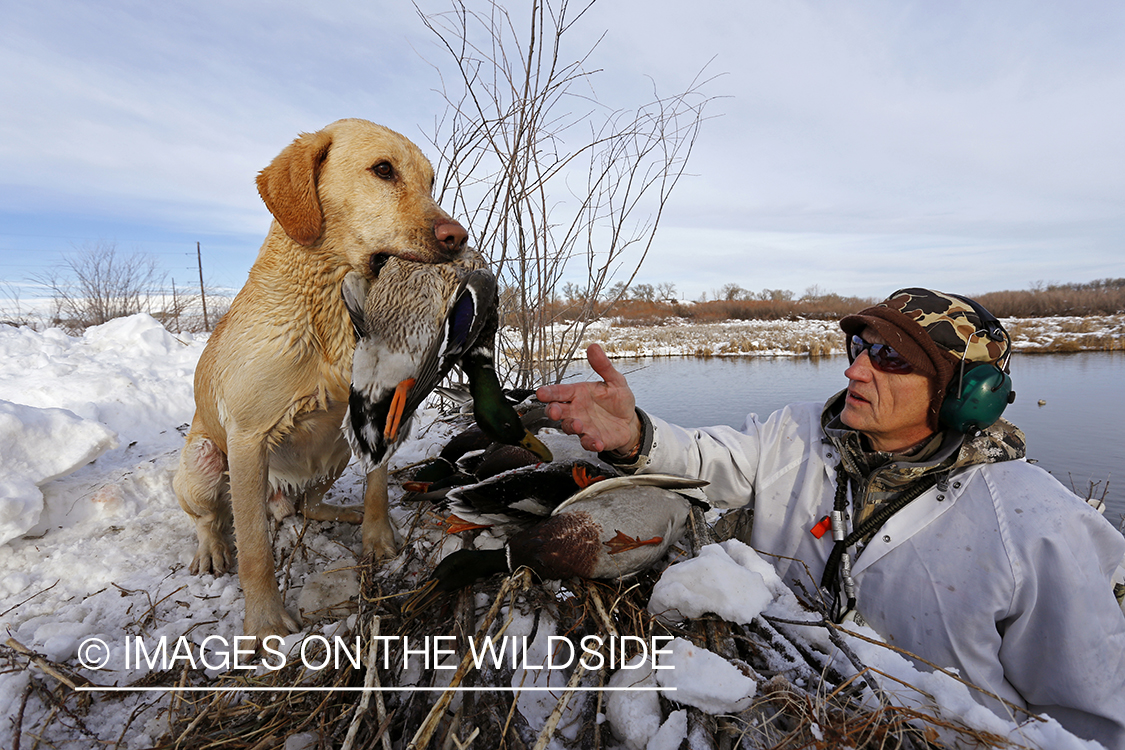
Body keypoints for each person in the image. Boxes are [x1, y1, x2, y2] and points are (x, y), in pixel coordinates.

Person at [536, 288, 1125, 749]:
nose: (855, 371)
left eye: (891, 358)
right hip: (783, 722)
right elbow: (706, 459)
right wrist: (633, 435)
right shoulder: (798, 433)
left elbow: (1092, 722)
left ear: (963, 394)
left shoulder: (1039, 525)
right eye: (860, 348)